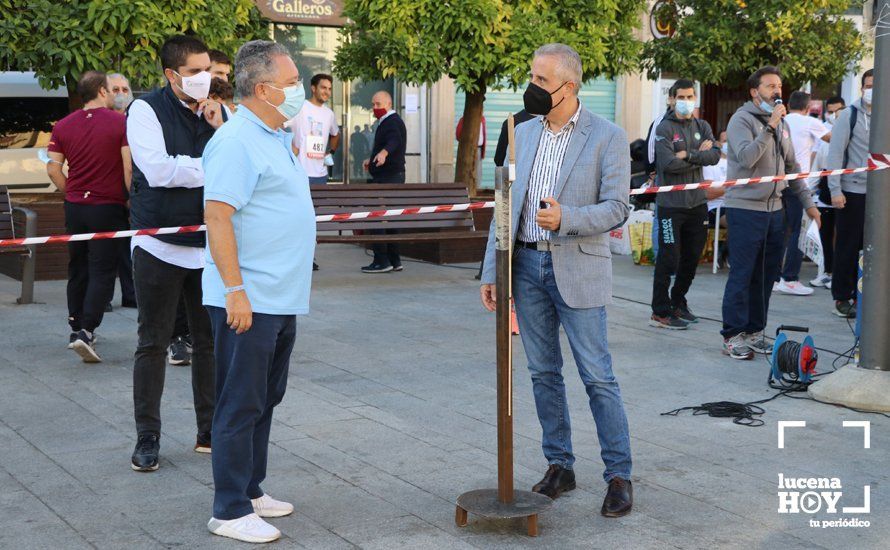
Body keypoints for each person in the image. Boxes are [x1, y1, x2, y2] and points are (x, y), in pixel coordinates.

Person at [480, 43, 633, 518]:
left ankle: (619, 475)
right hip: (524, 268)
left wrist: (567, 217)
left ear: (569, 86)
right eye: (532, 76)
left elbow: (618, 207)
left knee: (597, 376)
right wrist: (492, 270)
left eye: (542, 80)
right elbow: (503, 206)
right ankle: (559, 465)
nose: (532, 87)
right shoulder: (522, 133)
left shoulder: (608, 136)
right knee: (543, 373)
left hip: (578, 265)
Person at [202, 39, 314, 544]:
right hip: (249, 297)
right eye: (293, 84)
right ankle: (228, 509)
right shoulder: (235, 141)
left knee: (266, 397)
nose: (300, 92)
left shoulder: (274, 135)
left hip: (281, 295)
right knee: (239, 401)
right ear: (264, 88)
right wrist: (235, 290)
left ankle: (250, 489)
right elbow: (217, 215)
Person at [127, 35, 225, 472]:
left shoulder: (219, 113)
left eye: (209, 69)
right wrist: (212, 166)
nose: (205, 79)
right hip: (157, 244)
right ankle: (148, 436)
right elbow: (159, 170)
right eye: (193, 72)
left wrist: (222, 128)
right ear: (171, 74)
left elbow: (245, 162)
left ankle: (209, 431)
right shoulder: (146, 109)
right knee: (153, 342)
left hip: (207, 247)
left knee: (209, 344)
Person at [720, 66, 820, 360]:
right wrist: (770, 127)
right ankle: (732, 335)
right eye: (770, 86)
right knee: (742, 274)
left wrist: (809, 203)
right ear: (755, 92)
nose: (777, 92)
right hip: (745, 210)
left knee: (765, 276)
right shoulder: (742, 120)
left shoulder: (783, 125)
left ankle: (754, 331)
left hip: (775, 211)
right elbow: (748, 158)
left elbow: (792, 168)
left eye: (779, 86)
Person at [46, 71, 131, 362]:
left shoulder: (63, 126)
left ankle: (75, 325)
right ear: (102, 92)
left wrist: (71, 191)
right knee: (103, 269)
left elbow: (53, 168)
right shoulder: (121, 123)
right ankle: (88, 329)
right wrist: (130, 200)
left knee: (78, 265)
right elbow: (128, 167)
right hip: (107, 206)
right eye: (112, 89)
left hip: (75, 207)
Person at [650, 79, 721, 329]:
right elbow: (668, 164)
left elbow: (715, 155)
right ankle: (660, 310)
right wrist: (699, 156)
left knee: (692, 258)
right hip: (671, 205)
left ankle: (678, 302)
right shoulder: (664, 128)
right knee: (669, 259)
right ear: (671, 99)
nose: (686, 101)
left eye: (690, 97)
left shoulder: (702, 125)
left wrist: (689, 155)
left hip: (697, 204)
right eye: (681, 97)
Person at [827, 69, 874, 318]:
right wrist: (835, 189)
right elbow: (834, 154)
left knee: (874, 247)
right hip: (852, 191)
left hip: (879, 194)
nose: (871, 90)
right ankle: (842, 297)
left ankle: (868, 295)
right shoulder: (850, 115)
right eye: (868, 85)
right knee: (848, 246)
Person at [774, 91, 830, 296]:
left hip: (779, 181)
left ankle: (773, 277)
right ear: (807, 108)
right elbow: (832, 138)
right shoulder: (809, 122)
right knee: (799, 230)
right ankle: (789, 278)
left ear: (788, 105)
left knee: (780, 230)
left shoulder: (782, 120)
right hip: (799, 183)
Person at [361, 90, 407, 273]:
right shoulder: (388, 121)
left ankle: (382, 260)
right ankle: (395, 260)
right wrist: (371, 159)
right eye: (373, 104)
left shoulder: (391, 121)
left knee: (377, 217)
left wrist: (383, 153)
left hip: (388, 177)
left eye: (378, 104)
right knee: (391, 217)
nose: (375, 108)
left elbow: (394, 140)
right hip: (393, 175)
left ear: (388, 104)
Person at [106, 72, 138, 309]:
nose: (121, 94)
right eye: (115, 89)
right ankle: (103, 298)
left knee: (130, 249)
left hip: (133, 194)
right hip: (107, 194)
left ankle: (131, 295)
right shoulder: (101, 122)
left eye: (125, 89)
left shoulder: (137, 119)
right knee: (103, 251)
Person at [808, 96, 847, 289]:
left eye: (837, 112)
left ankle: (840, 275)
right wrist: (807, 194)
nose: (833, 116)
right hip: (825, 195)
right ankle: (826, 272)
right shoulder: (824, 141)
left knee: (843, 236)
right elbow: (817, 171)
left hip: (847, 193)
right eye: (830, 112)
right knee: (825, 233)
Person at [289, 73, 340, 185]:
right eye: (323, 88)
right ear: (313, 88)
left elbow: (336, 134)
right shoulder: (299, 108)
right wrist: (290, 146)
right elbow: (276, 125)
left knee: (319, 203)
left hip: (321, 174)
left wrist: (330, 152)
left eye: (329, 89)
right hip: (299, 171)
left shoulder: (329, 114)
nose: (327, 92)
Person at [455, 115, 487, 185]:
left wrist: (483, 151)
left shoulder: (482, 119)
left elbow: (484, 135)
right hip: (467, 148)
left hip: (478, 148)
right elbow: (458, 134)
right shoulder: (464, 119)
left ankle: (476, 188)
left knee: (477, 171)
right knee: (466, 170)